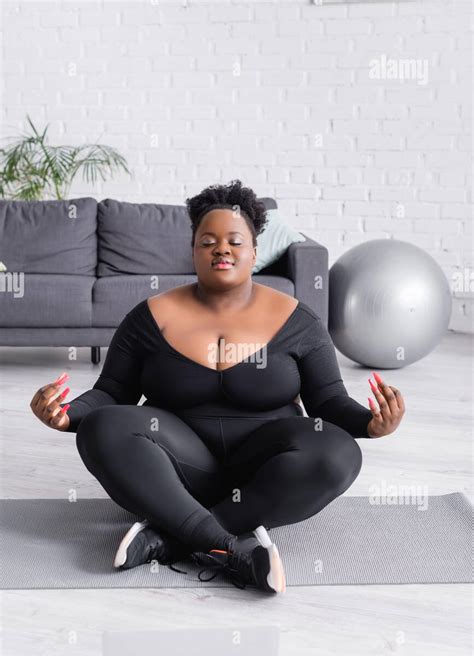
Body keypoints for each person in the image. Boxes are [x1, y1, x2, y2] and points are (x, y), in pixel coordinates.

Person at [30, 179, 406, 595]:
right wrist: (67, 415)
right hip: (176, 467)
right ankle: (229, 546)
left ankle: (173, 534)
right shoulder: (149, 317)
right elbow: (112, 392)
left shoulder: (298, 321)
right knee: (103, 426)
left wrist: (371, 424)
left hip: (264, 470)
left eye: (234, 241)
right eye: (207, 241)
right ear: (193, 251)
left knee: (337, 454)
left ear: (253, 251)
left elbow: (328, 401)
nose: (221, 249)